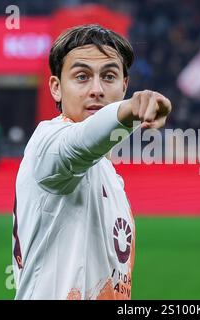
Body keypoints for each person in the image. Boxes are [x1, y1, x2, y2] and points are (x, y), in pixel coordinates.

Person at [13, 24, 172, 300]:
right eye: (82, 76)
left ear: (124, 86)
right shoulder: (46, 143)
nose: (97, 89)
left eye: (109, 76)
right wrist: (130, 111)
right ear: (56, 88)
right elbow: (81, 142)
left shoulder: (110, 176)